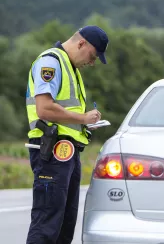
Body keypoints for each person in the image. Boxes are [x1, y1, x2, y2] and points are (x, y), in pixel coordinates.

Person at [25, 25, 109, 244]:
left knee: (64, 224)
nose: (92, 63)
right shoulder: (50, 62)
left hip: (67, 152)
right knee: (47, 223)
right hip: (52, 151)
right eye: (93, 56)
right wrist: (83, 118)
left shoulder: (71, 68)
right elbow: (44, 109)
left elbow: (65, 114)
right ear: (82, 43)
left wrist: (85, 125)